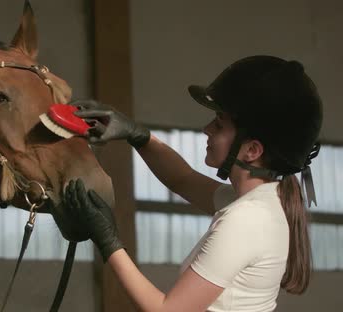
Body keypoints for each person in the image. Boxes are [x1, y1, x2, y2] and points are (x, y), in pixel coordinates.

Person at [59, 55, 323, 312]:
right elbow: (181, 179)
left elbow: (167, 310)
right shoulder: (258, 202)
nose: (207, 129)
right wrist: (136, 134)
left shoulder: (248, 219)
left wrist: (108, 241)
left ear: (252, 150)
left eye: (219, 125)